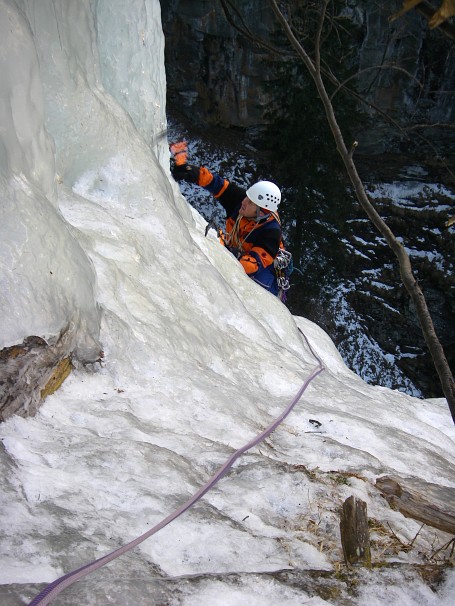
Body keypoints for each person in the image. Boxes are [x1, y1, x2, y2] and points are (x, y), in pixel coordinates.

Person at [171, 142, 290, 298]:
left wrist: (231, 256)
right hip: (238, 250)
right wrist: (191, 172)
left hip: (264, 270)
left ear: (261, 212)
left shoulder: (271, 233)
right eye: (247, 197)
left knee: (257, 287)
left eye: (250, 203)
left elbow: (253, 265)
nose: (244, 202)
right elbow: (216, 184)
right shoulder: (242, 201)